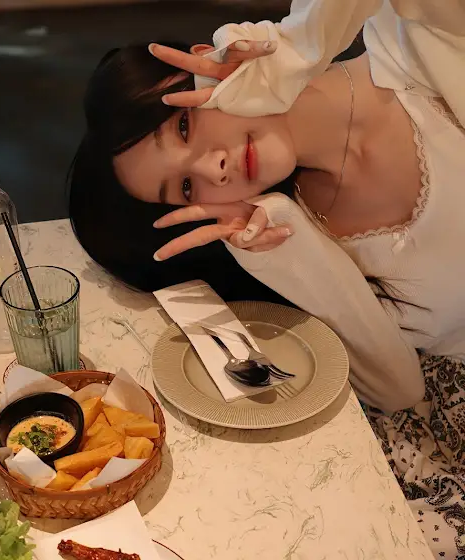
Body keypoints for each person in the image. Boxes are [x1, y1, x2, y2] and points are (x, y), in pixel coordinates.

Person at [70, 2, 465, 555]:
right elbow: (399, 389)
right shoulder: (306, 230)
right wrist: (289, 248)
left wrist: (302, 41)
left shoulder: (414, 44)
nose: (212, 168)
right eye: (186, 189)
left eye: (183, 126)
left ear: (206, 62)